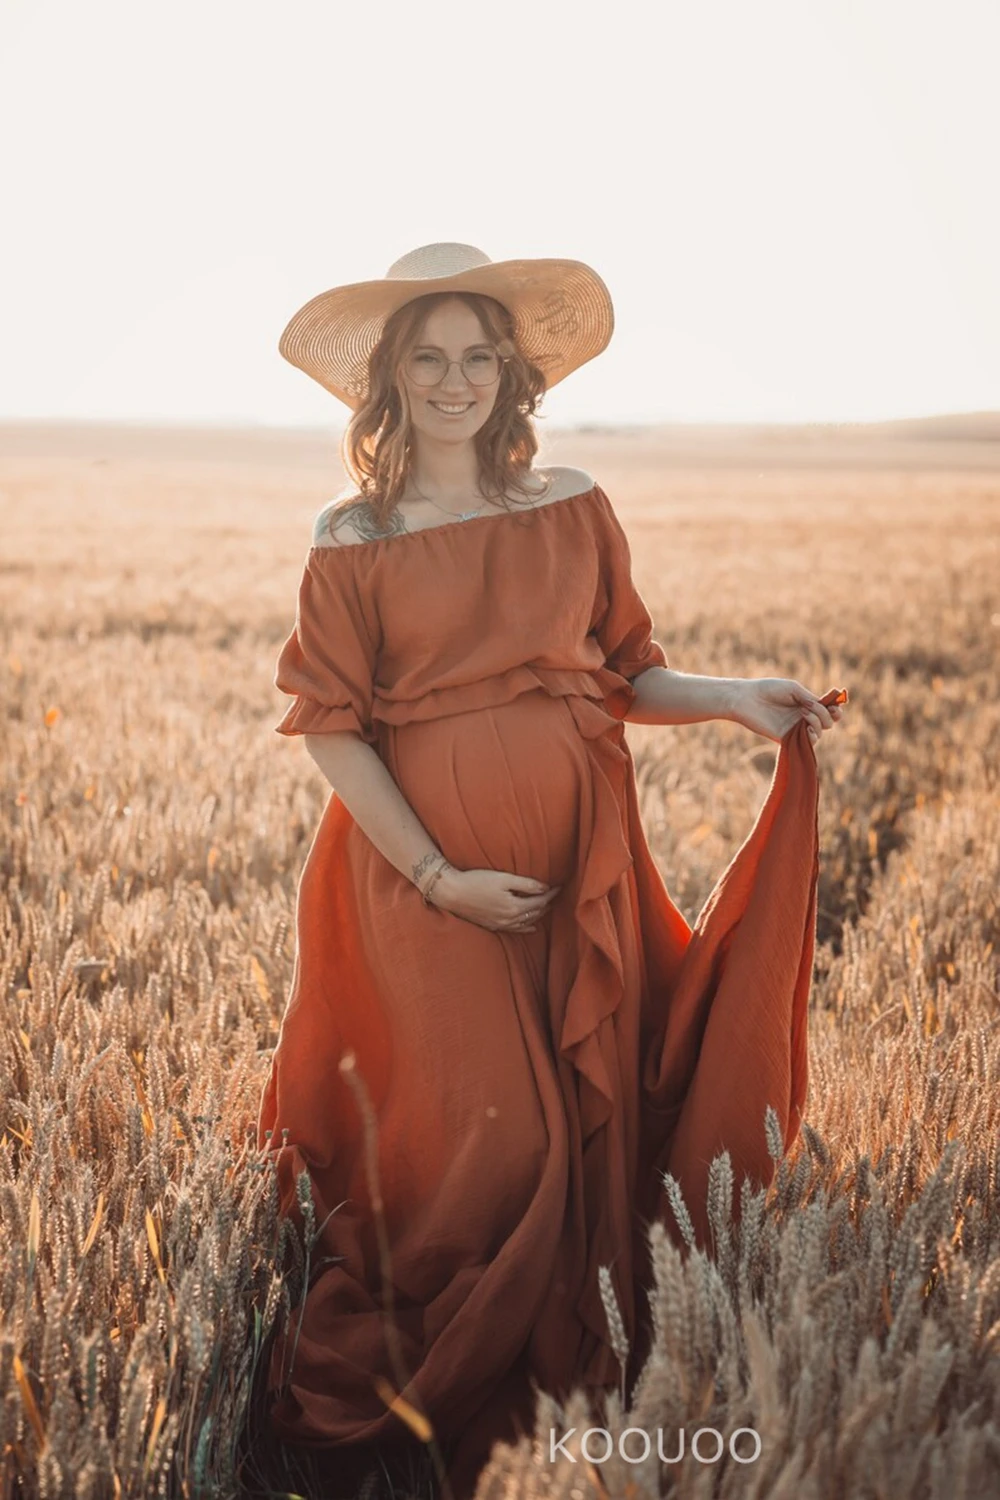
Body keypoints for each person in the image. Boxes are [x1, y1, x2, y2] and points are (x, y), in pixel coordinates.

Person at [255, 242, 847, 1497]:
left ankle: (572, 1382)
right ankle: (449, 1385)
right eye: (430, 357)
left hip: (583, 865)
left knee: (581, 1125)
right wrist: (433, 875)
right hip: (421, 887)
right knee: (494, 1140)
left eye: (479, 357)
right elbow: (331, 731)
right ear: (390, 378)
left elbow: (627, 670)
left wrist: (738, 699)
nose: (457, 380)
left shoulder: (572, 502)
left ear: (511, 375)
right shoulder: (351, 536)